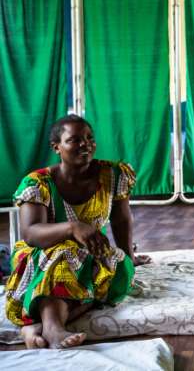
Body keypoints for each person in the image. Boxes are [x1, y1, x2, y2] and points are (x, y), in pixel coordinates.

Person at [4, 114, 151, 349]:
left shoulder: (113, 175)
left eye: (90, 138)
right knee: (65, 254)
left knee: (120, 267)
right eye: (74, 140)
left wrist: (129, 257)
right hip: (41, 255)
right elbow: (31, 234)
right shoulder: (38, 183)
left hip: (89, 255)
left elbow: (121, 219)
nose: (86, 144)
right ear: (56, 147)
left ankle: (36, 326)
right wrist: (73, 228)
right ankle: (54, 331)